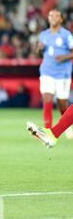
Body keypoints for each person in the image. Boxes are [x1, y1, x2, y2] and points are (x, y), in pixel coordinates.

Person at [37, 9, 73, 138]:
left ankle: (64, 126)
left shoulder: (66, 35)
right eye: (51, 15)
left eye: (56, 15)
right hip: (47, 71)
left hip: (63, 73)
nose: (53, 17)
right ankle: (47, 129)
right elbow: (39, 54)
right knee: (47, 97)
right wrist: (39, 50)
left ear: (61, 19)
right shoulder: (43, 35)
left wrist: (64, 57)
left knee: (62, 103)